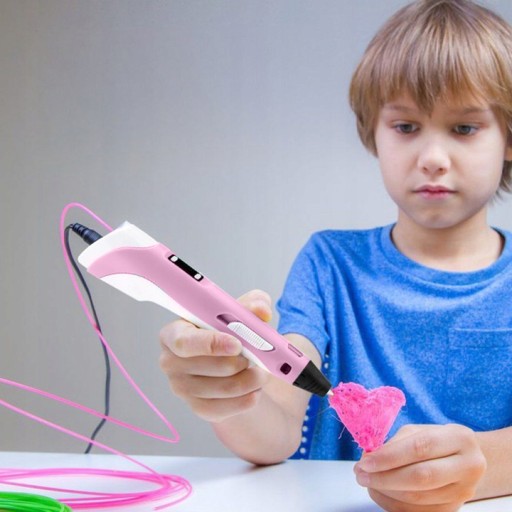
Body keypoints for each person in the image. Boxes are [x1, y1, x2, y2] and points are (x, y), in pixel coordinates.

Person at [158, 0, 512, 510]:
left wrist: (479, 466)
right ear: (373, 132)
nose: (433, 159)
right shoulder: (329, 264)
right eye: (406, 126)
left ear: (508, 137)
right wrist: (232, 394)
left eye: (464, 128)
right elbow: (275, 428)